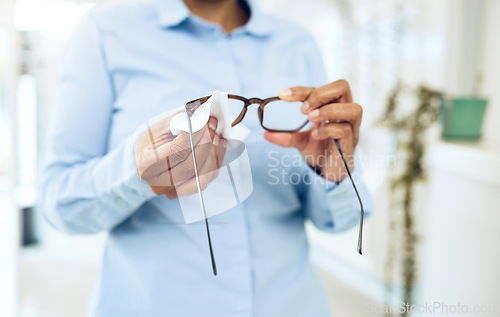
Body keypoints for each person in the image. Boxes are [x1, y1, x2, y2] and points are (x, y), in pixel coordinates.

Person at [40, 0, 374, 316]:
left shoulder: (297, 42)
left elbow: (340, 221)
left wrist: (331, 169)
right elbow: (61, 204)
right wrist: (138, 171)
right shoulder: (105, 32)